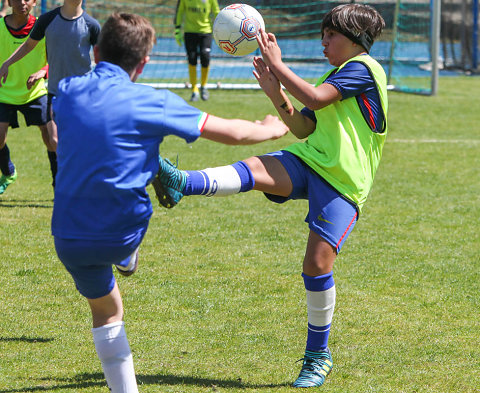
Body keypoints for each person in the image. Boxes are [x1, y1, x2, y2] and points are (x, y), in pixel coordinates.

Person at [51, 12, 287, 392]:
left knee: (108, 312)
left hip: (67, 236)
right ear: (143, 64)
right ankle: (128, 249)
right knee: (143, 157)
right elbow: (230, 133)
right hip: (122, 230)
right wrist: (271, 127)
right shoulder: (152, 100)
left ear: (95, 51)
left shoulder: (67, 91)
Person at [154, 3, 387, 388]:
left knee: (315, 266)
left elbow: (315, 98)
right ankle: (181, 182)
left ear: (356, 40)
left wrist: (277, 66)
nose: (323, 42)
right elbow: (300, 127)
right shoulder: (338, 73)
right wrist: (274, 93)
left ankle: (318, 356)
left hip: (344, 182)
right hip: (311, 160)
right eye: (323, 35)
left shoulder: (364, 70)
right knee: (255, 169)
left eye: (331, 36)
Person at [0, 0, 100, 187]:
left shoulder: (89, 25)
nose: (22, 2)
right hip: (34, 93)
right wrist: (7, 63)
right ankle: (63, 181)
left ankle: (69, 181)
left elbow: (100, 57)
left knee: (66, 140)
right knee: (52, 140)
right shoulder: (48, 20)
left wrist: (42, 72)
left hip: (61, 93)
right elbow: (28, 45)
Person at [0, 0, 52, 195]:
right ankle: (8, 172)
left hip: (35, 92)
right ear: (9, 2)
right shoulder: (0, 27)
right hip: (4, 92)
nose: (22, 2)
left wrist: (43, 72)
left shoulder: (44, 27)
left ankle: (59, 186)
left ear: (35, 1)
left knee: (51, 139)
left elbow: (54, 60)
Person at [174, 0, 220, 101]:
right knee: (192, 58)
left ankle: (203, 86)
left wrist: (221, 29)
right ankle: (194, 89)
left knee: (205, 56)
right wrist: (177, 29)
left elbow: (217, 13)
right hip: (190, 32)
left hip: (205, 32)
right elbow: (180, 12)